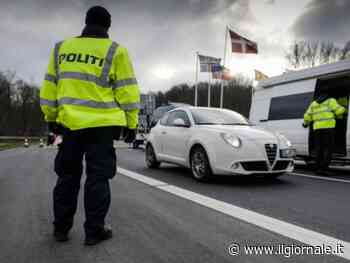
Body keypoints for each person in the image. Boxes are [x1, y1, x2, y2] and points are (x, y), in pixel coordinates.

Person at [40, 6, 140, 245]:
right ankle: (94, 231)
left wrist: (51, 118)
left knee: (67, 177)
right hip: (102, 127)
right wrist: (131, 123)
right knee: (98, 178)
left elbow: (49, 89)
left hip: (69, 124)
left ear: (85, 23)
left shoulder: (60, 49)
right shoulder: (116, 51)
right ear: (108, 26)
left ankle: (61, 229)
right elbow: (127, 91)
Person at [303, 93, 345, 175]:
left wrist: (305, 124)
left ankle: (318, 167)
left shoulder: (314, 103)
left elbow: (307, 116)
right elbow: (339, 111)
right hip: (328, 128)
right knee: (328, 149)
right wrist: (343, 108)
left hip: (317, 129)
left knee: (319, 149)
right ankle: (324, 168)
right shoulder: (330, 101)